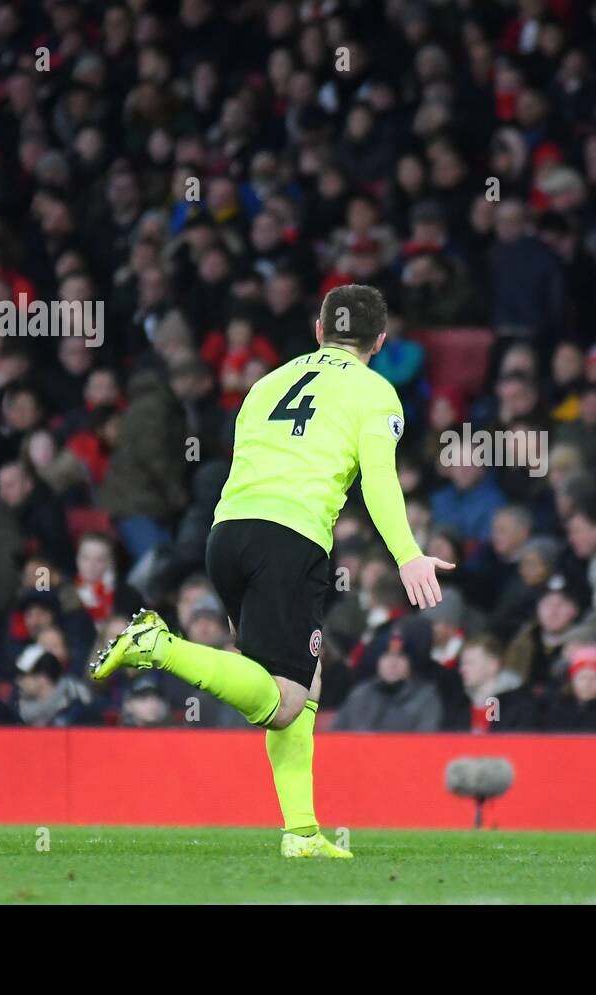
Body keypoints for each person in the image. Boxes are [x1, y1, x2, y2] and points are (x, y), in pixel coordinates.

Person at [92, 284, 453, 859]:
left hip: (228, 533)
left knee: (301, 685)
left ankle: (301, 833)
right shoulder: (376, 393)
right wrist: (408, 553)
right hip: (290, 540)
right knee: (283, 699)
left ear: (318, 330)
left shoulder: (266, 382)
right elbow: (379, 480)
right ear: (380, 341)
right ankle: (158, 645)